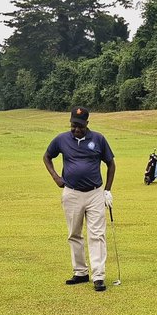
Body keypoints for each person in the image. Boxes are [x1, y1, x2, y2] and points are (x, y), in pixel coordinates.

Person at [43, 107, 116, 292]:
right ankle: (81, 272)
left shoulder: (98, 139)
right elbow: (47, 157)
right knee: (74, 233)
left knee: (97, 234)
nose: (76, 130)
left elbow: (110, 163)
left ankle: (98, 276)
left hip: (95, 193)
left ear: (87, 124)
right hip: (72, 193)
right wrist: (56, 177)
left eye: (80, 127)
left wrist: (107, 190)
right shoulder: (61, 139)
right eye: (74, 126)